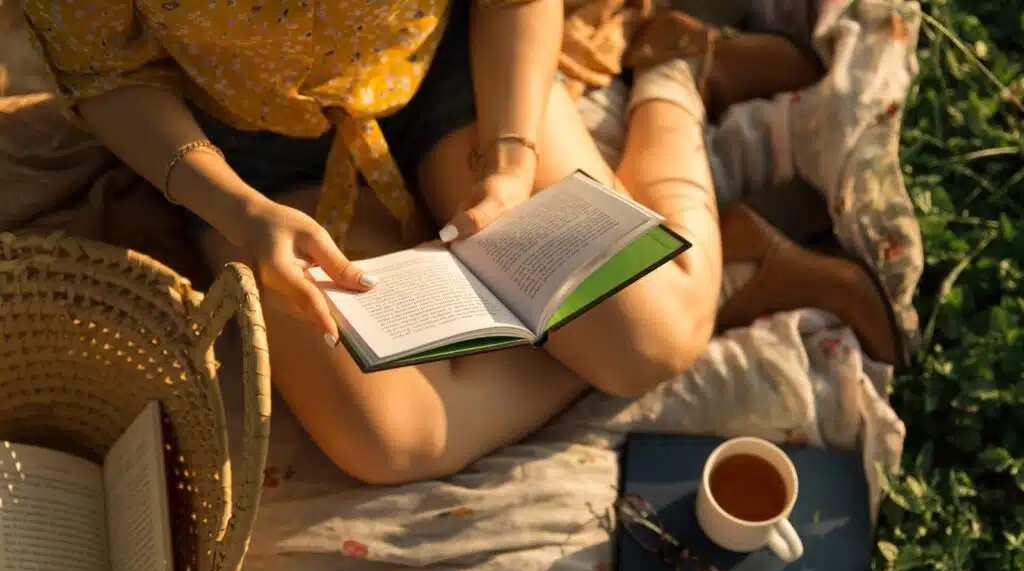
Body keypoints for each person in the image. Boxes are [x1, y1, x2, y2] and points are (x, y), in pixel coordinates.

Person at [25, 0, 723, 484]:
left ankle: (672, 73)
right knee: (391, 437)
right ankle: (599, 315)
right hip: (246, 146)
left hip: (456, 71)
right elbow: (109, 76)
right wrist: (241, 213)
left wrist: (511, 159)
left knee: (652, 339)